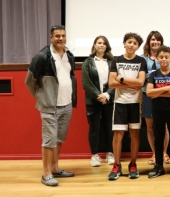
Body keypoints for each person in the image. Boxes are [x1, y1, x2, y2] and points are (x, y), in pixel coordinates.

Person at [25, 25, 77, 186]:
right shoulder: (42, 57)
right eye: (57, 36)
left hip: (66, 104)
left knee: (59, 139)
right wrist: (42, 98)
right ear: (51, 38)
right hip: (50, 107)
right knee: (49, 141)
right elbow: (29, 82)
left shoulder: (69, 55)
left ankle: (54, 168)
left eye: (63, 35)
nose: (60, 38)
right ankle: (46, 174)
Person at [108, 32, 147, 180]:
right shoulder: (116, 60)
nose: (131, 45)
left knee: (135, 134)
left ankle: (133, 164)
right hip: (120, 102)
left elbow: (140, 83)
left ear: (138, 46)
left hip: (136, 102)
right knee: (118, 134)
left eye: (135, 43)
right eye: (129, 42)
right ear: (124, 43)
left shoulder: (141, 61)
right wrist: (132, 82)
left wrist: (122, 78)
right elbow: (112, 83)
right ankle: (116, 165)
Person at [145, 46, 170, 178]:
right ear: (157, 59)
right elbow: (149, 92)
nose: (163, 59)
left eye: (166, 57)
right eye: (161, 57)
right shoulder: (153, 75)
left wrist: (158, 92)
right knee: (158, 138)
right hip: (157, 110)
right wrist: (167, 87)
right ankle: (159, 166)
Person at [81, 36, 115, 167]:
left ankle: (109, 153)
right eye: (99, 43)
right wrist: (98, 96)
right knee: (94, 128)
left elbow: (115, 80)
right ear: (94, 45)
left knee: (108, 127)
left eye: (104, 43)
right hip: (93, 101)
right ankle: (94, 155)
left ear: (107, 46)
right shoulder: (87, 62)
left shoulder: (112, 62)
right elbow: (86, 83)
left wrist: (107, 95)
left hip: (108, 100)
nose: (101, 45)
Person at [142, 31, 170, 167]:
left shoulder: (165, 57)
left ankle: (164, 153)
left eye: (158, 40)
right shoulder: (143, 59)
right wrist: (153, 74)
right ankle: (155, 153)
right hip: (147, 95)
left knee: (164, 126)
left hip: (163, 95)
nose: (155, 42)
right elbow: (141, 77)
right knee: (150, 126)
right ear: (149, 41)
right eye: (153, 40)